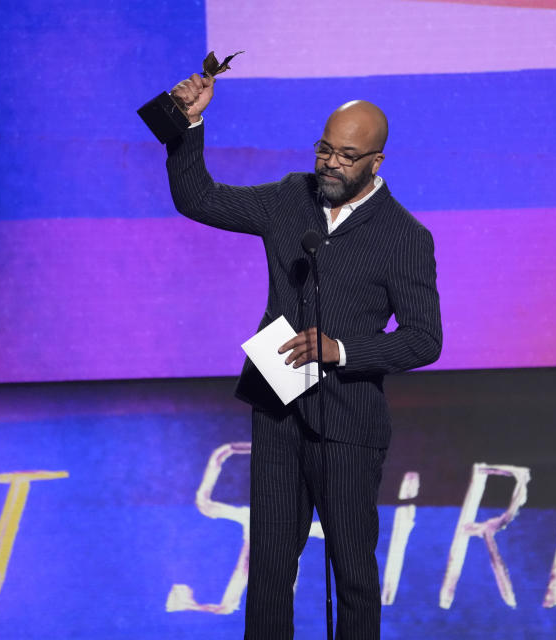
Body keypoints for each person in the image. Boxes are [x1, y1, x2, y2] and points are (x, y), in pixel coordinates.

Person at [165, 72, 442, 639]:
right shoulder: (289, 198)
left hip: (347, 425)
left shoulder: (404, 235)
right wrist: (189, 124)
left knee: (354, 574)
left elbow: (423, 339)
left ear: (376, 160)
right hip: (277, 410)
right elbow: (198, 198)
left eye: (346, 154)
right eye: (324, 148)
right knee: (268, 567)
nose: (330, 163)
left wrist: (342, 350)